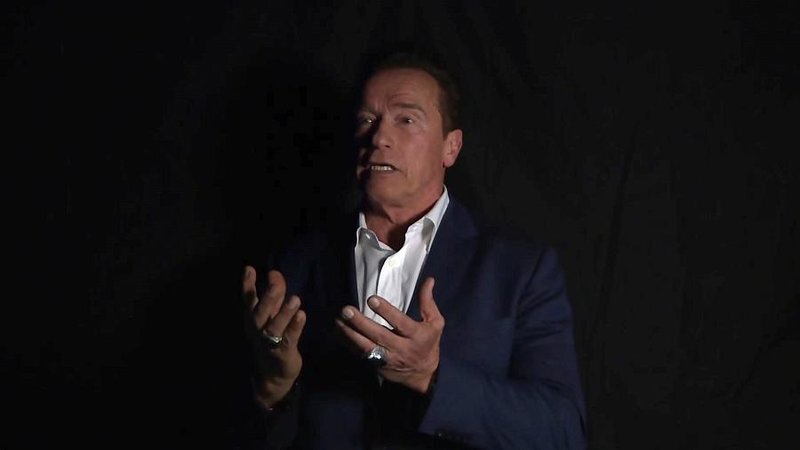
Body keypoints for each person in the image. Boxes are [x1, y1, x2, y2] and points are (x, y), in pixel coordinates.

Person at [239, 51, 586, 449]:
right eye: (367, 120)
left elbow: (563, 432)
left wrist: (431, 376)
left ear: (450, 148)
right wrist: (273, 389)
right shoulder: (295, 264)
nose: (379, 138)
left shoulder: (520, 269)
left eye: (405, 120)